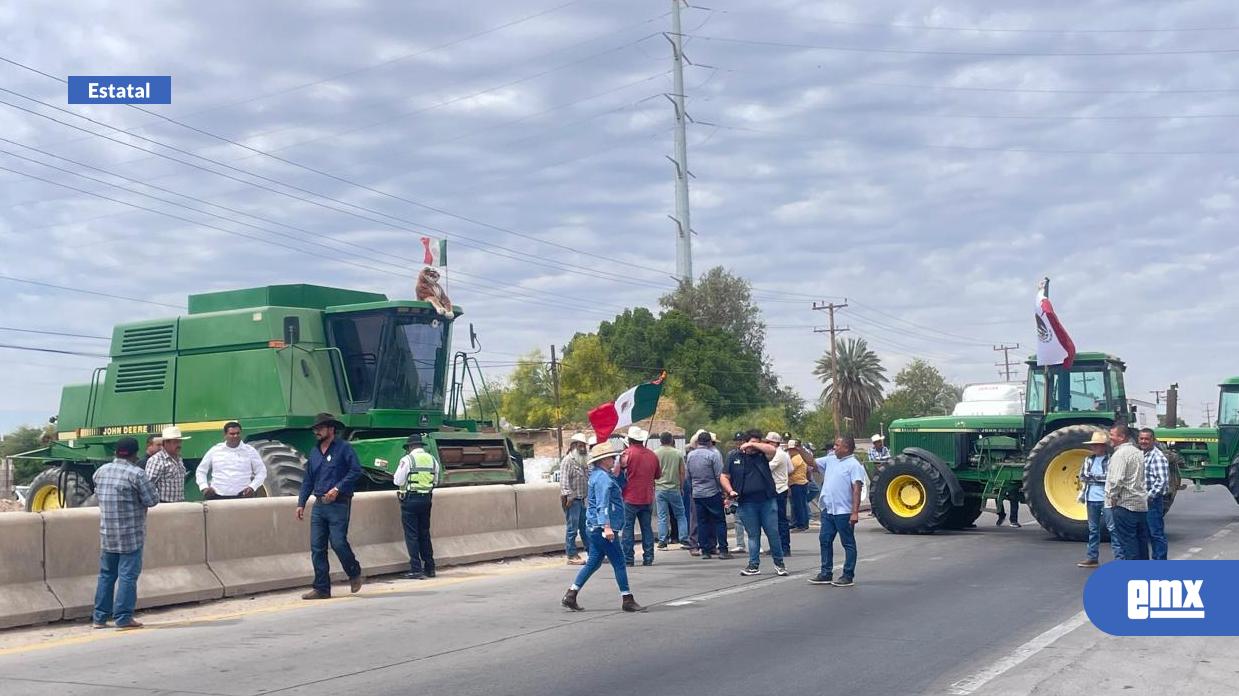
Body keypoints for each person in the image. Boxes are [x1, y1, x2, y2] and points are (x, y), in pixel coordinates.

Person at [561, 441, 646, 613]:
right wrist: (606, 526)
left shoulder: (599, 475)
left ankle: (571, 594)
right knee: (619, 562)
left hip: (595, 527)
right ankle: (627, 598)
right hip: (602, 528)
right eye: (611, 457)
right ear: (603, 460)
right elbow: (602, 504)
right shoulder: (603, 479)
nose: (614, 459)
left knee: (593, 562)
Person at [92, 437, 160, 630]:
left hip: (107, 533)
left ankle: (99, 617)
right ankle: (123, 618)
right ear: (135, 454)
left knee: (106, 575)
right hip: (131, 535)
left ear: (116, 452)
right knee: (127, 577)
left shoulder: (100, 472)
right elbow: (152, 500)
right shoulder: (136, 474)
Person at [296, 412, 364, 599]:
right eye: (315, 429)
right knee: (317, 547)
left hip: (339, 503)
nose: (316, 432)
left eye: (320, 428)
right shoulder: (314, 452)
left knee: (338, 542)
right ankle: (321, 588)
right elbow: (308, 479)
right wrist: (301, 503)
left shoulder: (344, 448)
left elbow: (355, 470)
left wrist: (337, 488)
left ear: (331, 429)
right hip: (319, 505)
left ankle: (354, 572)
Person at [720, 429, 788, 577]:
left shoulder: (763, 454)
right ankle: (753, 565)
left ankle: (779, 563)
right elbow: (724, 476)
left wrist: (754, 445)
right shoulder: (733, 456)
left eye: (757, 443)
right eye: (751, 443)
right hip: (746, 502)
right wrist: (730, 491)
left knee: (773, 533)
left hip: (767, 501)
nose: (753, 447)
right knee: (753, 534)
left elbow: (772, 449)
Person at [808, 436, 866, 587]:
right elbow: (811, 462)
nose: (834, 448)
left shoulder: (854, 465)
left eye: (837, 445)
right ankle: (826, 573)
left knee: (848, 543)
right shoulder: (830, 460)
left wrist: (855, 512)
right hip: (828, 509)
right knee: (825, 540)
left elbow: (857, 489)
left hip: (844, 511)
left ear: (846, 448)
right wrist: (799, 449)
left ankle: (848, 575)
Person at [395, 433, 440, 579]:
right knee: (424, 533)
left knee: (412, 535)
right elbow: (436, 480)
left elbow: (397, 480)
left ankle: (416, 569)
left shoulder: (407, 460)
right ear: (421, 446)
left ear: (410, 447)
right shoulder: (432, 460)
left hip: (410, 500)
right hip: (427, 499)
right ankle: (430, 568)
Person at [616, 426, 660, 567]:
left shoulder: (626, 454)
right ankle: (648, 557)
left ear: (629, 440)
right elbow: (658, 475)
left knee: (628, 528)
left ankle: (628, 558)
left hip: (630, 496)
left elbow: (617, 474)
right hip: (647, 497)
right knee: (646, 528)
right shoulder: (652, 455)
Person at [1077, 431, 1122, 567]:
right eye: (1094, 445)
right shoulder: (1088, 459)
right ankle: (1092, 557)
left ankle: (1119, 558)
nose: (1095, 447)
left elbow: (1109, 478)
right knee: (1093, 529)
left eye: (1098, 445)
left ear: (1104, 446)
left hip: (1107, 498)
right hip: (1091, 498)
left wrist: (1093, 477)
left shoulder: (1111, 460)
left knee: (1112, 528)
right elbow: (1083, 476)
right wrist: (1097, 478)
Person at [1104, 423, 1148, 561]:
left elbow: (1116, 480)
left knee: (1128, 545)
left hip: (1125, 505)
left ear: (1121, 437)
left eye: (1112, 435)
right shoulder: (1137, 452)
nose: (1109, 438)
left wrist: (1112, 497)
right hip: (1140, 504)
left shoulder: (1120, 454)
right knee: (1141, 544)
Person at [686, 431, 731, 559]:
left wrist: (693, 488)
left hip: (697, 493)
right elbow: (719, 475)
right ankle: (723, 550)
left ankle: (705, 550)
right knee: (719, 521)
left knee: (702, 522)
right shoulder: (713, 455)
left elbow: (688, 476)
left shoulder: (690, 455)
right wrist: (724, 491)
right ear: (709, 442)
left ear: (698, 442)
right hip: (712, 492)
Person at [196, 421, 266, 499]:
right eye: (232, 434)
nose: (235, 436)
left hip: (243, 497)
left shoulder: (250, 451)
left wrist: (252, 487)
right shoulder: (215, 450)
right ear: (225, 435)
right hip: (217, 497)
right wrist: (204, 487)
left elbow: (261, 472)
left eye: (238, 433)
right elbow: (201, 470)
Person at [1138, 428, 1170, 561]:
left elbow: (1162, 481)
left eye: (1147, 439)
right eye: (1141, 438)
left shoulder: (1157, 457)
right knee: (1143, 534)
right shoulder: (1142, 455)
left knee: (1156, 534)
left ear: (1153, 440)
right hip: (1142, 501)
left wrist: (1148, 497)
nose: (1144, 441)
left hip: (1152, 501)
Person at [559, 433, 591, 565]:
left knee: (585, 528)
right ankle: (571, 554)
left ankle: (591, 552)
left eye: (584, 446)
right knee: (572, 528)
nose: (583, 448)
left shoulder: (583, 461)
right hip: (572, 500)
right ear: (574, 446)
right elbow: (564, 481)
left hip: (582, 499)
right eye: (580, 446)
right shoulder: (567, 461)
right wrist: (569, 496)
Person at [654, 432, 689, 550]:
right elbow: (682, 472)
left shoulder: (655, 453)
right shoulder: (678, 453)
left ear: (660, 441)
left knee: (662, 516)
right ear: (671, 440)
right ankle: (683, 539)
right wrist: (681, 487)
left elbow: (653, 471)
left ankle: (662, 541)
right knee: (680, 515)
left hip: (660, 488)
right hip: (674, 488)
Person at [765, 432, 793, 556]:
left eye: (768, 442)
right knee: (775, 520)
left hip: (778, 488)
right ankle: (777, 546)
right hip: (778, 488)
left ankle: (784, 547)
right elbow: (791, 469)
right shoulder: (784, 454)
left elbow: (767, 468)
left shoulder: (779, 454)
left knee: (780, 520)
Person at [145, 425, 189, 503]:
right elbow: (148, 486)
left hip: (179, 504)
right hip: (163, 505)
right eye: (175, 442)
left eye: (180, 441)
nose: (179, 445)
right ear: (166, 443)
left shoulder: (179, 459)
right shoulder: (156, 460)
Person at [724, 431, 748, 554]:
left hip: (750, 491)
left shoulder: (751, 454)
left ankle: (756, 543)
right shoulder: (732, 455)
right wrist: (728, 493)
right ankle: (740, 544)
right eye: (737, 441)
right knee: (738, 519)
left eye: (741, 440)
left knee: (753, 519)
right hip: (735, 492)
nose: (739, 443)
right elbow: (726, 475)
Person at [788, 439, 812, 532]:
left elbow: (789, 470)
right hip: (798, 483)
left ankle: (802, 525)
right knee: (800, 505)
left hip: (798, 483)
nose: (790, 452)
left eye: (791, 450)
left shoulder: (797, 458)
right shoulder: (797, 457)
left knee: (799, 505)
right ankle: (801, 523)